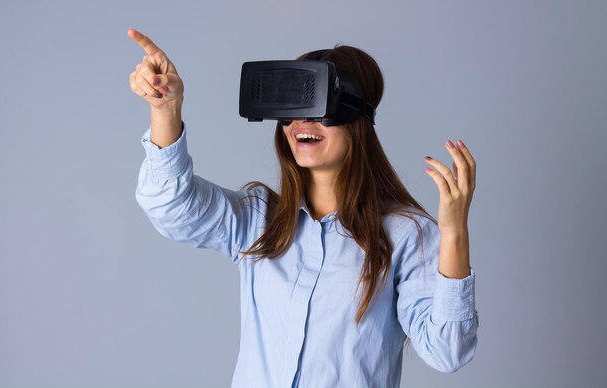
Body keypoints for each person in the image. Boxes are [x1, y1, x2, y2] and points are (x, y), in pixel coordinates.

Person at [127, 27, 478, 388]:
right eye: (291, 110)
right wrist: (165, 109)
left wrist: (453, 235)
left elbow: (447, 351)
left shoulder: (406, 235)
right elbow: (170, 207)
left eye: (316, 106)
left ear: (357, 117)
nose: (300, 124)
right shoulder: (259, 219)